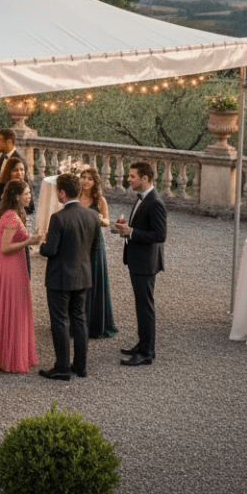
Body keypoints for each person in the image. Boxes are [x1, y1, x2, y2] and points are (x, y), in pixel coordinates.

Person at [38, 173, 100, 381]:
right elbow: (96, 248)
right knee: (79, 320)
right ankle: (80, 366)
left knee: (60, 322)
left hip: (60, 278)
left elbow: (50, 251)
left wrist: (43, 244)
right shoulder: (92, 215)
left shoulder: (58, 218)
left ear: (62, 192)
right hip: (82, 275)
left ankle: (62, 367)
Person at [112, 161, 166, 367]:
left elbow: (160, 235)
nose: (128, 179)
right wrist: (126, 229)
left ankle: (146, 352)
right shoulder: (144, 198)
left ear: (144, 179)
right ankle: (143, 343)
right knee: (141, 305)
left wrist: (132, 232)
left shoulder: (155, 202)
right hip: (138, 260)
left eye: (132, 176)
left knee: (145, 307)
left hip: (146, 263)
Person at [0, 180, 43, 373]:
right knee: (12, 308)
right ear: (17, 196)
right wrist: (29, 241)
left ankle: (3, 353)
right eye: (26, 193)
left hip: (12, 264)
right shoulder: (11, 217)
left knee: (8, 308)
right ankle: (9, 357)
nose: (29, 196)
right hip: (9, 265)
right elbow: (4, 247)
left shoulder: (15, 213)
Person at [79, 165, 118, 339]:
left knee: (95, 280)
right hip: (78, 243)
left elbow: (108, 221)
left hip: (94, 243)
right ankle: (78, 322)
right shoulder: (76, 197)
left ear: (95, 182)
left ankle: (95, 324)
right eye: (83, 177)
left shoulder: (100, 200)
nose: (85, 181)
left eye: (89, 178)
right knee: (78, 281)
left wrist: (102, 221)